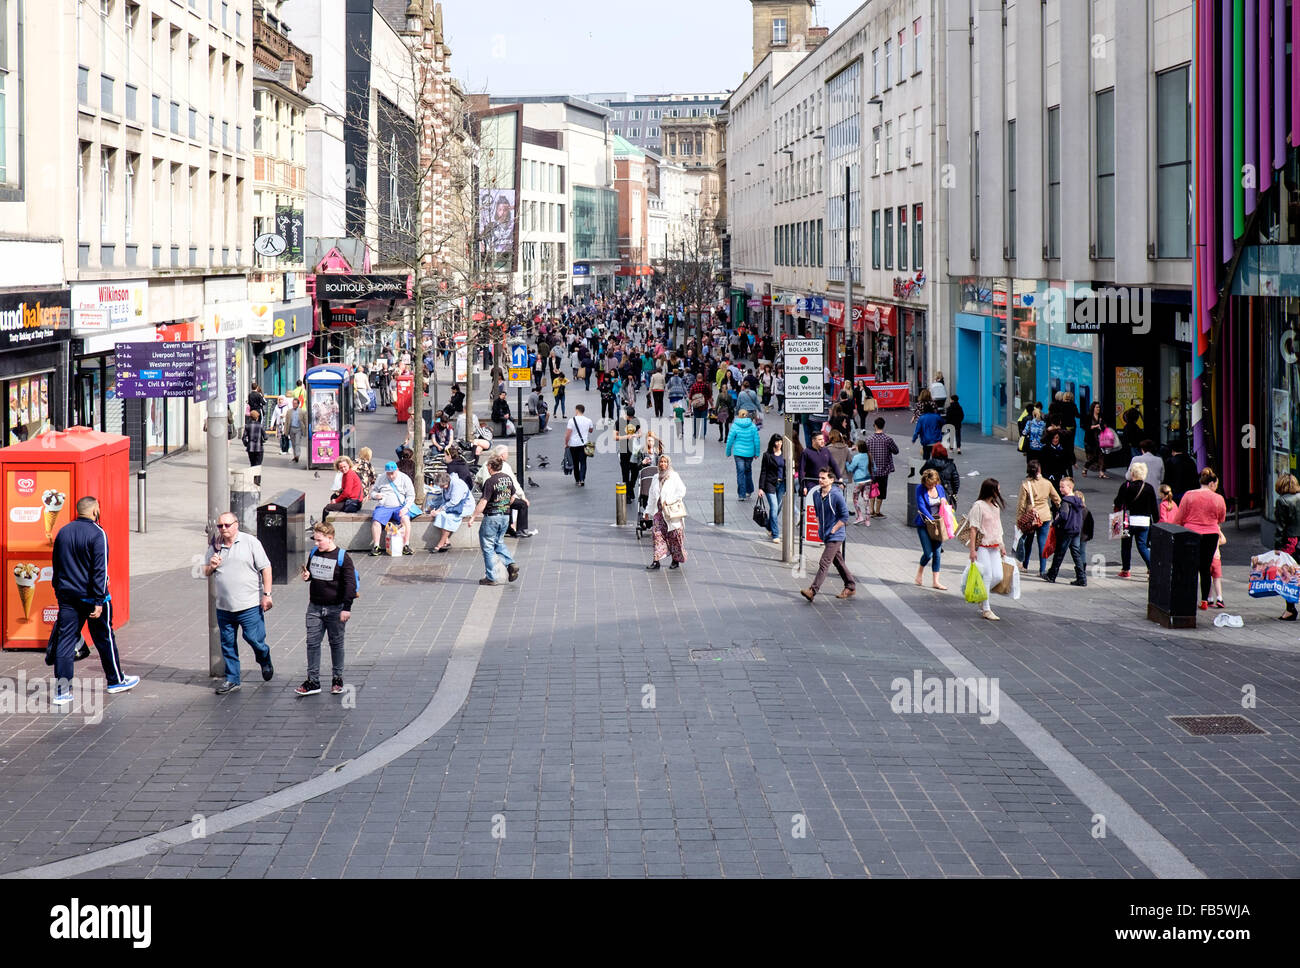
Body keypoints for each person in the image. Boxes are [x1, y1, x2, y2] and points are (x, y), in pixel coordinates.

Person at [49, 496, 138, 704]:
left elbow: (57, 565)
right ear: (94, 511)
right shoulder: (98, 534)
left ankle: (62, 691)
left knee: (65, 641)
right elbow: (100, 570)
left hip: (68, 597)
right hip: (92, 598)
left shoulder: (63, 532)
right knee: (104, 637)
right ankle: (115, 680)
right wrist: (99, 600)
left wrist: (59, 591)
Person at [204, 509, 274, 695]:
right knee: (227, 644)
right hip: (224, 607)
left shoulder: (250, 542)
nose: (223, 529)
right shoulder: (215, 546)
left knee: (254, 639)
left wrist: (267, 594)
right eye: (220, 526)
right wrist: (211, 566)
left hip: (249, 604)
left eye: (227, 525)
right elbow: (204, 572)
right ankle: (232, 679)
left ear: (236, 525)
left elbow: (266, 568)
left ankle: (264, 657)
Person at [295, 522, 357, 697]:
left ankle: (337, 679)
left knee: (336, 644)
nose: (315, 543)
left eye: (319, 540)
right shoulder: (314, 553)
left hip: (335, 608)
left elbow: (350, 585)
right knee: (312, 643)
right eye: (315, 539)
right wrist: (308, 577)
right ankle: (313, 681)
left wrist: (346, 608)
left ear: (330, 538)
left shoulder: (342, 557)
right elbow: (312, 574)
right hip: (314, 606)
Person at [1172, 468, 1228, 610]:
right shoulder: (1218, 498)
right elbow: (1221, 518)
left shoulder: (1189, 495)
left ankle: (1188, 597)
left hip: (1192, 533)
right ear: (1212, 484)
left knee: (1191, 565)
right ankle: (1205, 600)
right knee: (1205, 567)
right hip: (1211, 534)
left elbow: (1180, 517)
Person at [801, 467, 857, 603]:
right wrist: (820, 527)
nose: (820, 480)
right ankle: (850, 586)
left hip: (836, 535)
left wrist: (834, 529)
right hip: (825, 533)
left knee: (824, 561)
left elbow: (844, 516)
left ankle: (812, 590)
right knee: (838, 561)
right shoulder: (816, 495)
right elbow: (817, 513)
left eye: (823, 478)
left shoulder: (837, 495)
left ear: (831, 480)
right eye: (819, 478)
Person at [469, 455, 522, 586]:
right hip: (505, 515)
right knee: (498, 541)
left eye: (487, 465)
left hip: (492, 516)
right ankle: (510, 564)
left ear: (490, 466)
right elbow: (512, 497)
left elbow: (483, 501)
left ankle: (491, 577)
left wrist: (473, 516)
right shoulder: (508, 479)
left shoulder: (490, 481)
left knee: (487, 546)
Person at [963, 479, 1008, 621]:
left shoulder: (995, 506)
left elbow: (998, 527)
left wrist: (1002, 545)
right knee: (988, 575)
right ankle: (986, 609)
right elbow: (973, 528)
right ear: (991, 490)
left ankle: (982, 596)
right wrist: (972, 550)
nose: (999, 492)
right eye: (998, 489)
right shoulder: (978, 506)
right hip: (982, 545)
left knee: (998, 576)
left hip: (994, 544)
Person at [475, 444, 535, 538]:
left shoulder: (485, 464)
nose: (508, 455)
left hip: (489, 498)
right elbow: (514, 483)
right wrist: (523, 497)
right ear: (502, 455)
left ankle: (508, 528)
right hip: (500, 499)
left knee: (509, 501)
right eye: (507, 453)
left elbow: (477, 478)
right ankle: (520, 530)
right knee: (522, 504)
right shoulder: (505, 466)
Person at [1016, 460, 1061, 578]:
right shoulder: (1047, 483)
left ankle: (1025, 565)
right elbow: (1057, 499)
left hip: (1031, 517)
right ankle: (1042, 570)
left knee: (1028, 542)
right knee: (1042, 543)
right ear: (1039, 470)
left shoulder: (1025, 484)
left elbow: (1021, 505)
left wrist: (1019, 519)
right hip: (1045, 516)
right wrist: (1060, 512)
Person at [1113, 461, 1157, 579]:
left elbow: (1117, 502)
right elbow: (1154, 507)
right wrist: (1157, 522)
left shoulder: (1126, 486)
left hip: (1128, 521)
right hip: (1144, 522)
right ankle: (1152, 568)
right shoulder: (1149, 488)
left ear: (1132, 473)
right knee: (1143, 546)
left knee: (1126, 546)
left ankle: (1126, 570)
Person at [645, 453, 688, 570]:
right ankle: (656, 561)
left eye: (665, 462)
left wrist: (670, 500)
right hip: (659, 513)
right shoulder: (655, 477)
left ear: (668, 464)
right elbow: (651, 496)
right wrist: (647, 511)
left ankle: (675, 559)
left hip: (671, 512)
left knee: (674, 536)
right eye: (661, 462)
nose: (663, 464)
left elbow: (682, 491)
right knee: (657, 535)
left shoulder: (674, 476)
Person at [1044, 477, 1087, 585]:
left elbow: (1063, 515)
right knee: (1076, 553)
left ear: (1070, 487)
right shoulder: (1078, 500)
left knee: (1059, 553)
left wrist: (1054, 523)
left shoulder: (1065, 501)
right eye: (1060, 486)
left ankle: (1051, 575)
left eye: (1063, 487)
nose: (1060, 489)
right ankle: (1082, 578)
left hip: (1067, 530)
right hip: (1076, 530)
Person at [913, 468, 950, 590]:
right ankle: (919, 573)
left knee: (937, 553)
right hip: (925, 524)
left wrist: (944, 501)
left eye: (933, 484)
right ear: (924, 482)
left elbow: (944, 500)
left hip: (938, 524)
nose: (931, 486)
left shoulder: (939, 488)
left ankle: (936, 581)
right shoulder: (920, 488)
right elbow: (921, 506)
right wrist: (931, 520)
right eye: (929, 484)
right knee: (928, 553)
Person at [369, 460, 415, 556]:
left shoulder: (404, 478)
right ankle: (376, 545)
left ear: (397, 470)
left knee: (405, 519)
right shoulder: (381, 478)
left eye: (392, 474)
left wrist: (406, 508)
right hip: (384, 506)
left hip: (400, 506)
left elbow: (411, 495)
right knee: (376, 521)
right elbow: (372, 492)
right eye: (388, 474)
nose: (390, 476)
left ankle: (406, 545)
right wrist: (376, 495)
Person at [1273, 474, 1300, 620]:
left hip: (1291, 542)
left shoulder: (1282, 501)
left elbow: (1280, 527)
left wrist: (1277, 547)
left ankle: (1290, 609)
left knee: (1288, 575)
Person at [428, 471, 473, 552]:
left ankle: (440, 544)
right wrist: (438, 510)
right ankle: (447, 541)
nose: (441, 487)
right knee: (440, 515)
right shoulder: (446, 486)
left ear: (447, 482)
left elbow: (454, 501)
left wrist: (440, 509)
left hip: (464, 506)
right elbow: (445, 500)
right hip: (452, 506)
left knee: (447, 517)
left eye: (442, 485)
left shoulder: (457, 484)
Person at [864, 417, 899, 517]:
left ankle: (871, 510)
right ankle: (878, 511)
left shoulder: (869, 439)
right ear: (883, 425)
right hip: (884, 469)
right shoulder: (888, 439)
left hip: (872, 470)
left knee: (872, 488)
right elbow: (896, 451)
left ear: (875, 425)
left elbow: (865, 453)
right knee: (882, 490)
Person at [725, 408, 762, 501]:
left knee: (740, 473)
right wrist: (757, 453)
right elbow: (756, 441)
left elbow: (730, 440)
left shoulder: (735, 426)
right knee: (748, 471)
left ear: (738, 416)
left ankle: (741, 494)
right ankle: (749, 490)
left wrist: (728, 452)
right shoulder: (753, 426)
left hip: (738, 453)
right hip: (749, 453)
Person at [758, 434, 787, 543]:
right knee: (774, 507)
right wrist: (761, 488)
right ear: (773, 442)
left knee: (778, 508)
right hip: (770, 484)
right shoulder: (767, 455)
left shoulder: (785, 454)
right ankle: (775, 534)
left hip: (782, 484)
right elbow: (763, 471)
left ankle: (769, 526)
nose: (779, 444)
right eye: (777, 442)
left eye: (780, 441)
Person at [798, 429, 842, 496]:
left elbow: (834, 464)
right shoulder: (806, 452)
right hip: (811, 483)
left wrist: (840, 478)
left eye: (823, 439)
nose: (823, 441)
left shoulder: (826, 450)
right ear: (813, 441)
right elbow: (801, 470)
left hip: (825, 482)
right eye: (820, 439)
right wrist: (803, 486)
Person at [322, 456, 364, 522]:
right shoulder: (347, 473)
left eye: (345, 466)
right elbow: (345, 489)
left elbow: (347, 492)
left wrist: (336, 501)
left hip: (353, 503)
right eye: (341, 467)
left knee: (327, 508)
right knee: (333, 496)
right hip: (354, 500)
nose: (343, 469)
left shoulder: (349, 475)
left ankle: (324, 527)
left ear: (349, 465)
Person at [615, 406, 643, 504]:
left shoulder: (636, 420)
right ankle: (627, 495)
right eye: (629, 417)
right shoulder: (619, 422)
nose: (630, 418)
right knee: (625, 474)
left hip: (634, 450)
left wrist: (636, 435)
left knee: (635, 471)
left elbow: (640, 433)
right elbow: (615, 437)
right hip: (624, 451)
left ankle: (631, 488)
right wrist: (625, 436)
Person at [565, 404, 596, 487]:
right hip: (584, 444)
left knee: (575, 463)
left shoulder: (571, 420)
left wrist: (566, 443)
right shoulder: (588, 420)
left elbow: (568, 434)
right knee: (583, 463)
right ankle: (582, 479)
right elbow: (591, 430)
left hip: (573, 445)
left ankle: (577, 479)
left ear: (577, 410)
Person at [846, 439, 873, 525]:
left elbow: (850, 468)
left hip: (859, 481)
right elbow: (874, 469)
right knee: (866, 499)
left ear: (858, 447)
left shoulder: (857, 457)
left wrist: (846, 463)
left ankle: (860, 516)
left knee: (855, 498)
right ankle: (867, 520)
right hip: (869, 480)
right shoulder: (869, 456)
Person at [1082, 401, 1112, 479]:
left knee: (1101, 455)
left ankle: (1101, 472)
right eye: (1096, 407)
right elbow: (1084, 426)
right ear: (1093, 408)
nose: (1098, 409)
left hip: (1101, 439)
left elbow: (1105, 425)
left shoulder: (1101, 417)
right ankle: (1086, 467)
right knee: (1094, 457)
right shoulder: (1089, 416)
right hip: (1091, 439)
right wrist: (1093, 426)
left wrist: (1101, 426)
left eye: (1099, 407)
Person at [241, 409, 267, 486]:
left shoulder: (247, 426)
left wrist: (247, 444)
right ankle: (257, 480)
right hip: (259, 448)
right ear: (257, 417)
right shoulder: (260, 425)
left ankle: (253, 479)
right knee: (258, 464)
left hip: (251, 448)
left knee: (252, 464)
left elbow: (244, 438)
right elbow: (265, 436)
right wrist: (263, 440)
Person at [688, 373, 712, 439]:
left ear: (696, 378)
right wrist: (712, 405)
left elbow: (690, 398)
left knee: (696, 419)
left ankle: (696, 434)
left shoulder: (693, 386)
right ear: (702, 378)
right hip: (704, 405)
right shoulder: (705, 386)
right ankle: (702, 434)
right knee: (704, 419)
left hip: (696, 406)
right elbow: (709, 397)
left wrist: (689, 407)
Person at [286, 397, 307, 463]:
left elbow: (305, 421)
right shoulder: (289, 411)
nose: (294, 405)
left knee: (297, 443)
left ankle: (297, 455)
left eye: (295, 403)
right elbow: (287, 422)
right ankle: (295, 456)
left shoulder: (302, 411)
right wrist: (286, 431)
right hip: (292, 428)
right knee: (293, 443)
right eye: (293, 403)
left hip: (298, 429)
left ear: (298, 404)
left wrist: (305, 430)